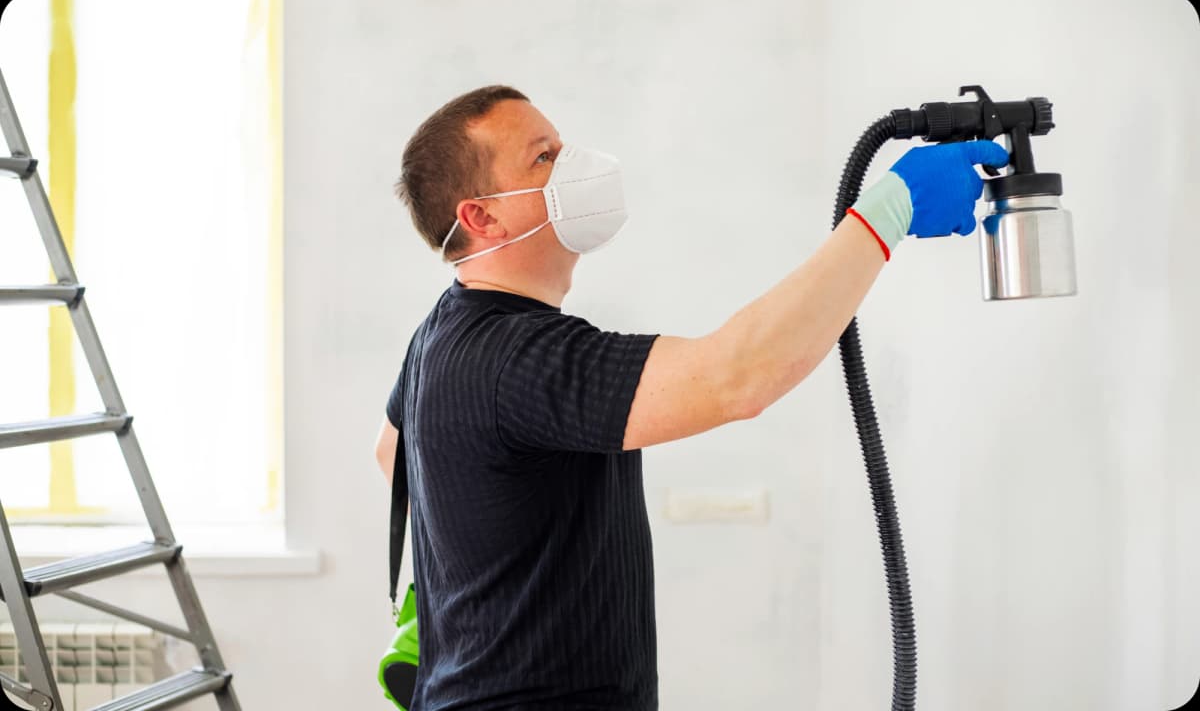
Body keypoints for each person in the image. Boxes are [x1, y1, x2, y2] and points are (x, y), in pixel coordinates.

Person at [374, 85, 1007, 710]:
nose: (574, 165)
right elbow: (736, 376)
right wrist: (889, 211)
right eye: (544, 157)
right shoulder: (517, 357)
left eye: (563, 147)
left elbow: (392, 453)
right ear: (481, 217)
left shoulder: (442, 331)